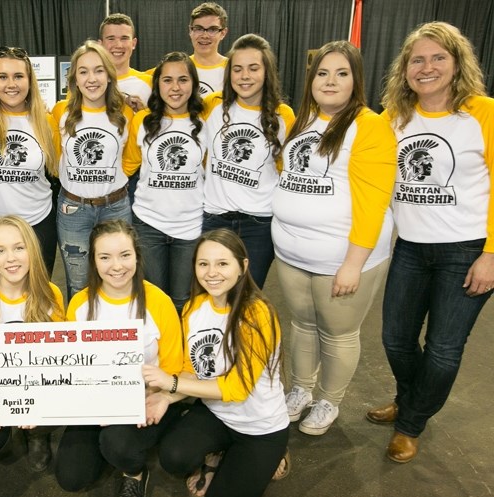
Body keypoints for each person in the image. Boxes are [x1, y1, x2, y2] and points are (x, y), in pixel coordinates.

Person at [368, 22, 494, 463]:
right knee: (396, 339)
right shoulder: (393, 118)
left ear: (457, 63)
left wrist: (491, 255)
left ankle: (411, 423)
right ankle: (410, 400)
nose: (427, 68)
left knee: (443, 349)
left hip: (467, 251)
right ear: (404, 70)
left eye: (438, 57)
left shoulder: (483, 113)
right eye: (417, 60)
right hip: (410, 247)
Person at [272, 41, 396, 435]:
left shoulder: (369, 125)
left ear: (356, 80)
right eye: (323, 73)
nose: (330, 81)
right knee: (303, 325)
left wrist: (353, 264)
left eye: (342, 73)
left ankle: (329, 399)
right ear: (311, 79)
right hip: (292, 252)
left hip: (342, 258)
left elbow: (374, 202)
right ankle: (302, 390)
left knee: (338, 332)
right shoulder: (304, 119)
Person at [143, 229, 288, 497]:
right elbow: (189, 369)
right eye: (203, 264)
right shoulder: (195, 307)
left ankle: (275, 454)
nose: (212, 273)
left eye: (222, 264)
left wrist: (169, 384)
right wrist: (166, 398)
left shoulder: (257, 313)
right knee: (173, 457)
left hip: (260, 429)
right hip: (218, 414)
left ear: (243, 266)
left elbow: (236, 389)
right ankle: (218, 454)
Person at [56, 219, 190, 497]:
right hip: (93, 405)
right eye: (105, 257)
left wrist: (159, 398)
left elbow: (175, 369)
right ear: (93, 260)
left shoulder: (158, 302)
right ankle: (113, 448)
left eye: (124, 255)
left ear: (137, 256)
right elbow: (70, 367)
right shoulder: (79, 305)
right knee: (71, 477)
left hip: (143, 403)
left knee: (117, 444)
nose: (116, 266)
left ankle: (134, 472)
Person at [0, 215, 65, 472]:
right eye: (0, 251)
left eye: (19, 247)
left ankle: (38, 434)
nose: (11, 258)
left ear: (32, 250)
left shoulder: (51, 295)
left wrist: (34, 406)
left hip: (36, 383)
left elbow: (61, 359)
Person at [201, 34, 295, 288]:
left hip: (259, 223)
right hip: (215, 218)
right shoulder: (213, 105)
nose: (245, 76)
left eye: (253, 68)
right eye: (237, 69)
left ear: (267, 72)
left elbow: (286, 168)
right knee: (213, 292)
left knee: (248, 296)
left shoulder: (283, 115)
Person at [123, 52, 205, 313]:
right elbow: (126, 168)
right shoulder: (143, 121)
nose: (175, 87)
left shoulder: (207, 124)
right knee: (154, 302)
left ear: (193, 83)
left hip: (191, 227)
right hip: (148, 225)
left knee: (183, 302)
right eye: (167, 80)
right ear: (157, 84)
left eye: (183, 79)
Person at [53, 41, 133, 299]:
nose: (92, 78)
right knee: (79, 287)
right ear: (74, 78)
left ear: (109, 76)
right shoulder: (60, 112)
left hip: (115, 208)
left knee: (117, 281)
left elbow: (131, 158)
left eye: (99, 70)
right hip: (74, 210)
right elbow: (55, 159)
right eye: (83, 71)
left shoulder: (126, 112)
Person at [0, 46, 59, 274]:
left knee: (39, 296)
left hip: (38, 223)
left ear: (29, 80)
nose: (11, 84)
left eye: (18, 76)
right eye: (3, 77)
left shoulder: (46, 121)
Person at [98, 13, 152, 111]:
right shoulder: (86, 84)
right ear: (100, 44)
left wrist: (143, 114)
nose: (118, 45)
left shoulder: (149, 83)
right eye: (111, 38)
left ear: (133, 43)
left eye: (124, 38)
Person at [187, 2, 229, 96]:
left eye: (212, 29)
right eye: (199, 29)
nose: (205, 36)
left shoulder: (233, 69)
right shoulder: (179, 66)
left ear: (223, 33)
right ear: (190, 30)